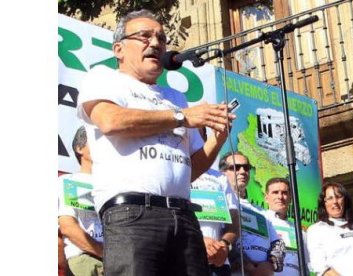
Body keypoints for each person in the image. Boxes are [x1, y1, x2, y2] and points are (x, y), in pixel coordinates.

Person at [76, 9, 235, 276]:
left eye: (161, 38)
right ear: (119, 49)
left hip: (184, 217)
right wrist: (182, 117)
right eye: (144, 36)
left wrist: (217, 139)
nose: (156, 44)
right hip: (133, 214)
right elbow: (112, 121)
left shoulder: (176, 97)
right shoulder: (103, 78)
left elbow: (191, 170)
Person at [220, 152, 286, 276]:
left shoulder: (262, 212)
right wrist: (249, 267)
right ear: (223, 172)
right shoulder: (220, 202)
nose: (242, 171)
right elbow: (219, 237)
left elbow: (278, 244)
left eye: (246, 167)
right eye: (236, 167)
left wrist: (270, 265)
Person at [191, 128, 240, 276]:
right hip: (185, 256)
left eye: (198, 132)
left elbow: (234, 223)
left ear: (205, 137)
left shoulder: (220, 178)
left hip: (218, 261)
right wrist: (199, 240)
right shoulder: (174, 170)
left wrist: (224, 245)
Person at [58, 126, 104, 276]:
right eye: (96, 140)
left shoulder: (116, 184)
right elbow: (68, 226)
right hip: (86, 260)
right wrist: (104, 252)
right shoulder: (68, 181)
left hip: (120, 261)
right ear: (79, 148)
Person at [306, 182, 353, 276]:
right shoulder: (316, 230)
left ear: (345, 200)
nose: (335, 202)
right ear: (323, 203)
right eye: (330, 198)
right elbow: (320, 266)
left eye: (338, 196)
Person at [263, 177, 309, 276]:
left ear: (290, 198)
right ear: (266, 198)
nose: (280, 196)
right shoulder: (261, 220)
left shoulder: (300, 232)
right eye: (275, 192)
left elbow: (306, 266)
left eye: (284, 193)